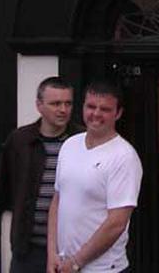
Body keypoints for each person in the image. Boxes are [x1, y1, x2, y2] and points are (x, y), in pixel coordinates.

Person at [0, 77, 81, 272]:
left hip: (70, 247)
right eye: (55, 103)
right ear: (39, 105)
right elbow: (0, 187)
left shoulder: (81, 141)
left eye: (68, 103)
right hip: (28, 246)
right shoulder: (20, 140)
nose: (63, 110)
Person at [47, 80, 143, 273]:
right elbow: (57, 201)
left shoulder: (124, 157)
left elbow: (116, 223)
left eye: (105, 109)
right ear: (83, 107)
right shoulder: (69, 145)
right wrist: (52, 254)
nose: (96, 114)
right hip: (63, 265)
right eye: (91, 106)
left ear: (118, 113)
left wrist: (76, 262)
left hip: (104, 268)